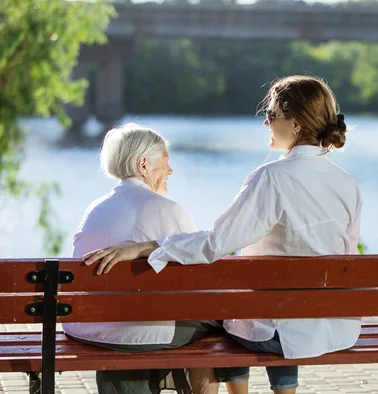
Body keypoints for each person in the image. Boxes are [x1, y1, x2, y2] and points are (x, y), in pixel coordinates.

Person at [84, 76, 363, 394]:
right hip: (333, 326)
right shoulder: (347, 184)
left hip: (281, 331)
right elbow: (346, 254)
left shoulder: (271, 177)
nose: (266, 123)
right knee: (280, 305)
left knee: (225, 313)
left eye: (271, 115)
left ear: (296, 124)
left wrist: (148, 247)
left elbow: (217, 243)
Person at [63, 123, 220, 394]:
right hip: (141, 331)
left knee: (141, 316)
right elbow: (198, 282)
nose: (170, 170)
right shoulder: (170, 211)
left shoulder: (94, 210)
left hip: (84, 327)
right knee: (220, 323)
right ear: (143, 163)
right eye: (166, 161)